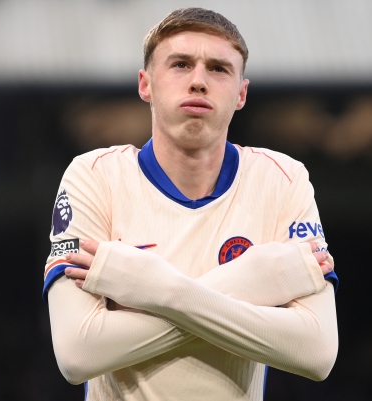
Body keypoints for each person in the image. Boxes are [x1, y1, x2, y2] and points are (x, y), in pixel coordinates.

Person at [42, 8, 339, 400]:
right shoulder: (94, 177)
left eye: (218, 69)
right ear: (146, 84)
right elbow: (77, 354)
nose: (199, 81)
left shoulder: (283, 180)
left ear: (241, 93)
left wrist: (150, 287)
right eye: (180, 64)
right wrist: (255, 278)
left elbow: (316, 353)